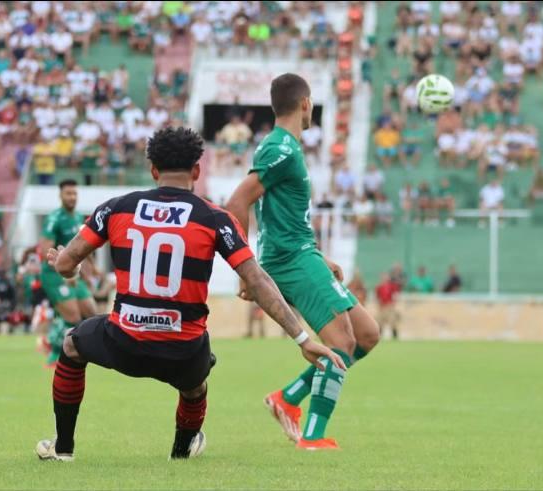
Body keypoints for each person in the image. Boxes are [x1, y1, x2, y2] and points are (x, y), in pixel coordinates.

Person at [35, 127, 341, 462]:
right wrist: (301, 338)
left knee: (71, 345)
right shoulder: (214, 218)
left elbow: (64, 264)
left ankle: (62, 449)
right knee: (196, 386)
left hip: (123, 342)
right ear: (197, 171)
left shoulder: (117, 208)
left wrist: (73, 269)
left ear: (153, 170)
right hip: (183, 353)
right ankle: (180, 454)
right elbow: (256, 280)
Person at [227, 74, 380, 450]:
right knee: (341, 341)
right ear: (306, 104)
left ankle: (289, 397)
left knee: (367, 334)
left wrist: (318, 255)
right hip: (289, 260)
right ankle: (312, 436)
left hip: (300, 252)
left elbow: (283, 215)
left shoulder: (285, 147)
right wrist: (246, 269)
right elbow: (237, 203)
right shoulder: (281, 148)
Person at [39, 179, 98, 366]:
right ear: (60, 195)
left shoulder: (78, 217)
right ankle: (53, 349)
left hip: (74, 274)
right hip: (54, 275)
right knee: (72, 316)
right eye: (68, 194)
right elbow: (45, 252)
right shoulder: (54, 218)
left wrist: (91, 271)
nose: (72, 197)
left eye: (74, 193)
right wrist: (64, 273)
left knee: (91, 312)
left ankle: (84, 351)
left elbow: (82, 247)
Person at [374, 273, 400, 339]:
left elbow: (395, 295)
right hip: (382, 306)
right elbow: (377, 297)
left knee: (393, 322)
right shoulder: (379, 287)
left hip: (389, 306)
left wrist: (393, 304)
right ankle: (379, 337)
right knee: (379, 322)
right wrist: (379, 305)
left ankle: (395, 337)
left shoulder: (392, 286)